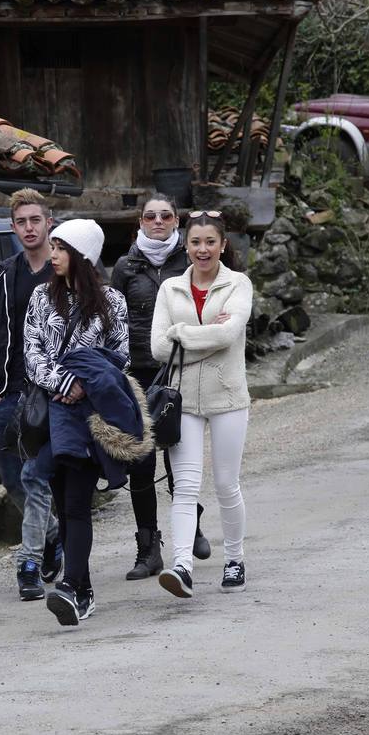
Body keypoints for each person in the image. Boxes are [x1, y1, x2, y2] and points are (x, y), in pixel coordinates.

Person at [23, 219, 138, 625]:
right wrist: (63, 381)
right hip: (53, 412)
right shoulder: (40, 296)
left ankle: (71, 587)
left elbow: (119, 358)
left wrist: (84, 386)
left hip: (90, 416)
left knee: (76, 503)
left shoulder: (113, 302)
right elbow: (32, 352)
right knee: (62, 499)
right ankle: (82, 591)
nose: (52, 255)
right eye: (52, 247)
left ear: (83, 255)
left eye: (60, 248)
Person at [151, 210, 254, 597]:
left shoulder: (238, 284)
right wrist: (205, 336)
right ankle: (181, 566)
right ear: (186, 245)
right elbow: (158, 348)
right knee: (186, 487)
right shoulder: (169, 289)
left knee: (227, 484)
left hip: (227, 397)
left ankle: (235, 559)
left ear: (223, 244)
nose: (203, 249)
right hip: (183, 402)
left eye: (210, 241)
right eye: (196, 242)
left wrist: (182, 335)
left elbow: (229, 334)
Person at [109, 198, 210, 581]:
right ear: (140, 221)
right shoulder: (125, 266)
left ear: (176, 221)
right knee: (140, 463)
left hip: (178, 371)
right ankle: (148, 549)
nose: (157, 221)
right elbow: (113, 316)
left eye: (165, 216)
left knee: (178, 457)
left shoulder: (188, 260)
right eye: (150, 216)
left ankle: (191, 525)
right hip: (135, 374)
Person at [0, 189, 62, 601]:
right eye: (21, 222)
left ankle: (28, 566)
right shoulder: (1, 274)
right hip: (9, 394)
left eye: (36, 220)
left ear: (49, 222)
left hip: (53, 392)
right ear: (13, 227)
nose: (29, 228)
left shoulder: (64, 269)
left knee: (35, 478)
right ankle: (53, 535)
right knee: (12, 479)